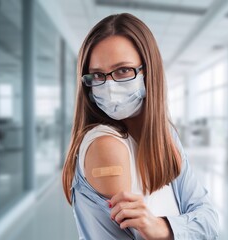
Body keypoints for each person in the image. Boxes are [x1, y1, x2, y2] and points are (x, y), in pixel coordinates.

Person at [61, 13, 219, 239]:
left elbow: (209, 220)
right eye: (97, 75)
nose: (110, 88)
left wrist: (161, 228)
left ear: (149, 71)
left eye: (123, 70)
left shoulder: (166, 136)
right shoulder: (106, 146)